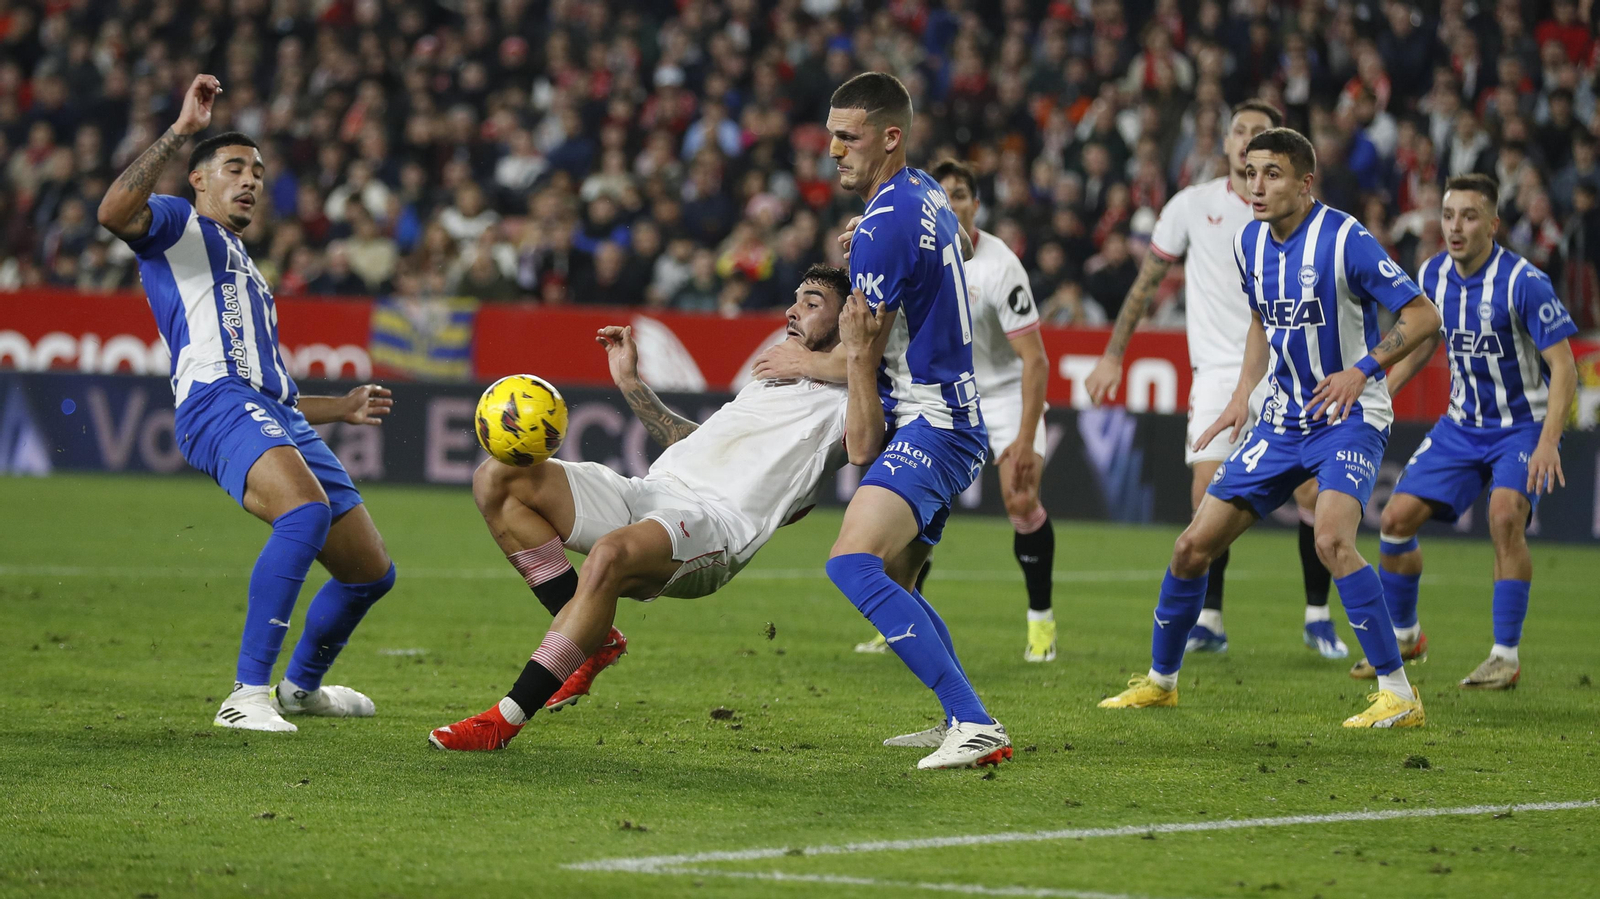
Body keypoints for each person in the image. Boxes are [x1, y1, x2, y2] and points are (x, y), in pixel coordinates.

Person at [428, 266, 872, 752]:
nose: (792, 310)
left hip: (713, 527)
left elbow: (864, 448)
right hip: (651, 491)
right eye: (795, 299)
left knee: (610, 556)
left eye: (811, 303)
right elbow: (692, 442)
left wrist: (841, 359)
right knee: (497, 479)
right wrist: (630, 381)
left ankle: (503, 720)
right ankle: (594, 641)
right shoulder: (772, 374)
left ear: (850, 317)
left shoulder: (854, 392)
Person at [1097, 127, 1443, 728]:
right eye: (1250, 172)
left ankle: (1399, 693)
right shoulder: (1250, 243)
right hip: (1280, 419)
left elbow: (1422, 316)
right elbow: (1261, 320)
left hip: (1347, 416)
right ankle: (1161, 681)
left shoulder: (1345, 239)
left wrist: (1362, 371)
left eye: (1272, 174)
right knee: (1189, 548)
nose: (1256, 185)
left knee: (1332, 539)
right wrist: (1242, 396)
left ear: (1305, 183)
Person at [95, 75, 397, 732]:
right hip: (214, 402)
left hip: (268, 407)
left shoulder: (247, 271)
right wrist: (180, 131)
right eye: (234, 167)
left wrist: (340, 408)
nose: (251, 180)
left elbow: (274, 390)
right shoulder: (179, 223)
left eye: (257, 171)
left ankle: (300, 689)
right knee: (304, 511)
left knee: (370, 571)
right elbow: (114, 212)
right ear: (198, 180)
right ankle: (245, 694)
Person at [1085, 100, 1343, 660]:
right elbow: (1147, 283)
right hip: (1218, 371)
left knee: (1310, 492)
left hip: (1289, 367)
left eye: (1258, 135)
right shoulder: (1189, 206)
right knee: (1207, 493)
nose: (1246, 142)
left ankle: (1318, 616)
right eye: (1238, 133)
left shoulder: (1293, 214)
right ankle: (1210, 618)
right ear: (1227, 145)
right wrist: (1112, 355)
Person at [821, 72, 1011, 769]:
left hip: (932, 421)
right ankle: (960, 714)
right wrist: (872, 230)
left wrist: (810, 365)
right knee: (891, 578)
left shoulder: (887, 222)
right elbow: (952, 243)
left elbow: (862, 425)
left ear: (890, 137)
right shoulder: (923, 190)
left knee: (851, 563)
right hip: (953, 413)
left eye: (850, 136)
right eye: (832, 134)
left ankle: (974, 720)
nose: (834, 149)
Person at [802, 159, 1057, 662]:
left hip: (986, 395)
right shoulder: (921, 234)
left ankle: (1040, 623)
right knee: (904, 545)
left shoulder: (1001, 266)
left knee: (1019, 503)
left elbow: (1035, 359)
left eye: (963, 194)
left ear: (975, 204)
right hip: (938, 393)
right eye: (950, 194)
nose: (954, 203)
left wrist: (1025, 437)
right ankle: (932, 658)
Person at [1368, 174, 1579, 690]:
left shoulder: (1524, 282)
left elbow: (1565, 369)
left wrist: (1549, 441)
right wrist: (1384, 389)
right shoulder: (1432, 274)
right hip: (1461, 425)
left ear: (1493, 223)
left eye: (1468, 215)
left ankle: (1504, 656)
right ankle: (1406, 635)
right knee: (1394, 520)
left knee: (1504, 515)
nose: (1455, 226)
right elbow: (1423, 341)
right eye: (1448, 215)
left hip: (1522, 426)